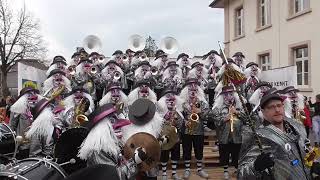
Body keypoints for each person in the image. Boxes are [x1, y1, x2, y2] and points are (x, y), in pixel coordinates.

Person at [238, 88, 318, 180]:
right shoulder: (258, 137)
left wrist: (313, 165)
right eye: (271, 107)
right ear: (263, 112)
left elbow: (306, 152)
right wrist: (255, 166)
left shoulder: (298, 127)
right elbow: (241, 174)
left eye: (279, 105)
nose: (277, 110)